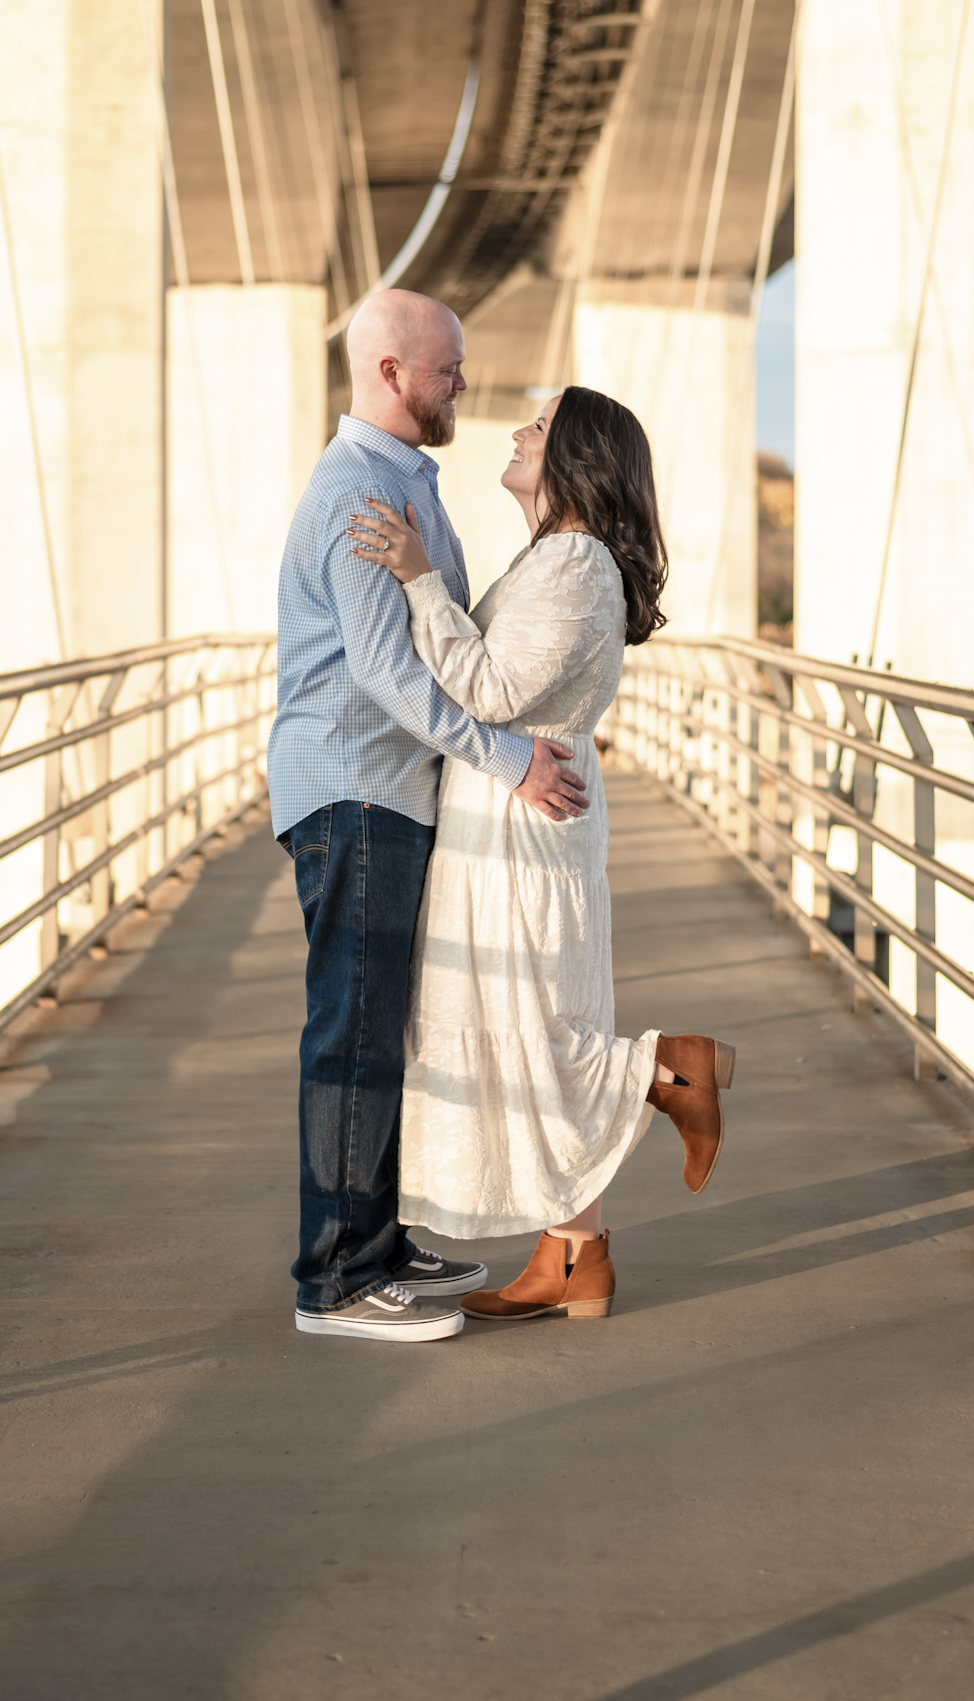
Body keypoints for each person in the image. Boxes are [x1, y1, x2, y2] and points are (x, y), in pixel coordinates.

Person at [349, 384, 735, 1323]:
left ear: (577, 458)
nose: (518, 433)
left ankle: (667, 1068)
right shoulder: (553, 558)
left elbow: (487, 688)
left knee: (533, 1031)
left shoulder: (573, 564)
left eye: (538, 424)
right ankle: (575, 1257)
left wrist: (415, 579)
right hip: (509, 807)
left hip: (522, 825)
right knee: (530, 1020)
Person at [268, 289, 592, 1345]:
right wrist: (507, 761)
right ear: (391, 373)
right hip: (356, 786)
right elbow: (386, 670)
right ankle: (337, 1281)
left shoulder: (407, 482)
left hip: (392, 790)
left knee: (380, 1024)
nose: (462, 379)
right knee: (351, 1032)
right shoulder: (360, 490)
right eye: (445, 365)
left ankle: (379, 1237)